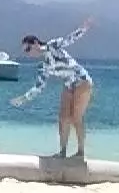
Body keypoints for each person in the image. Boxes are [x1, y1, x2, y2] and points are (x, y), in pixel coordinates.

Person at [17, 20, 98, 158]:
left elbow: (70, 39)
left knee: (75, 117)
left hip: (82, 81)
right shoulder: (44, 66)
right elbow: (39, 87)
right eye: (25, 51)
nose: (28, 53)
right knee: (63, 117)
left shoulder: (53, 46)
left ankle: (80, 152)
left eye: (28, 49)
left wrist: (83, 28)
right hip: (69, 85)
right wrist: (23, 99)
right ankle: (63, 152)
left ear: (36, 43)